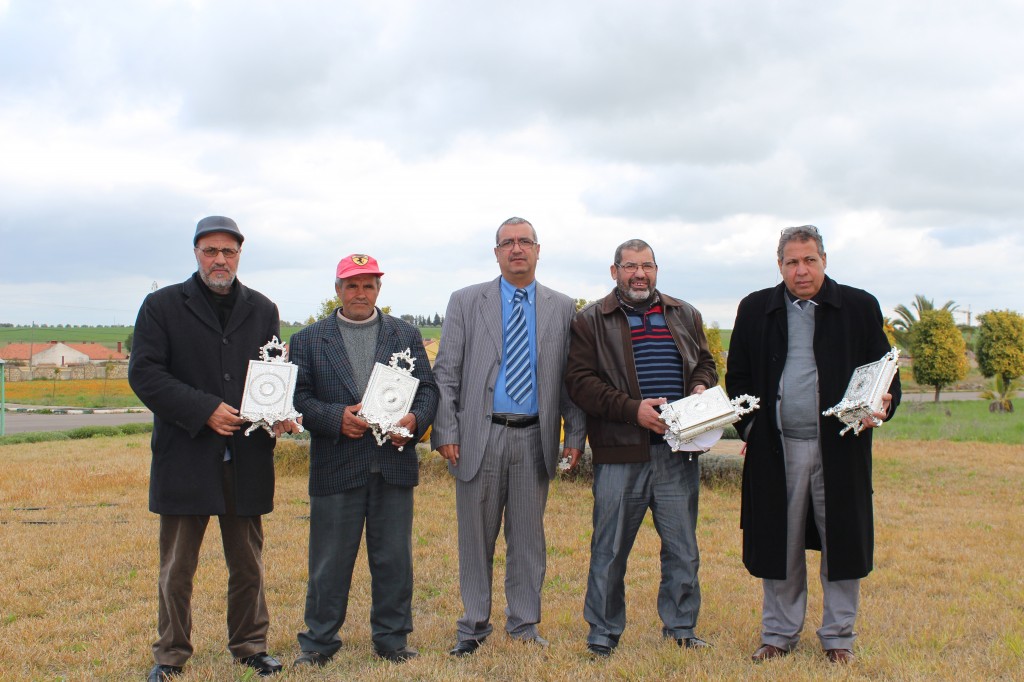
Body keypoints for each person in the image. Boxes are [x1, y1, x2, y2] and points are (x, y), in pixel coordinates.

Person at [129, 216, 299, 682]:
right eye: (210, 251)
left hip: (246, 457)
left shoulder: (263, 309)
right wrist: (203, 409)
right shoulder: (161, 306)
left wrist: (278, 410)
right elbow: (144, 374)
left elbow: (270, 373)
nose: (219, 259)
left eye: (228, 251)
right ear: (196, 254)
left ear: (239, 254)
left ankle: (249, 647)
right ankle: (170, 654)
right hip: (185, 454)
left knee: (247, 562)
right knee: (177, 567)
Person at [726, 225, 900, 665]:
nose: (801, 270)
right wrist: (752, 433)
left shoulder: (858, 307)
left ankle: (838, 637)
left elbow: (885, 374)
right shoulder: (754, 309)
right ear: (779, 264)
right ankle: (778, 634)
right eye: (792, 262)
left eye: (810, 260)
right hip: (777, 450)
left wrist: (885, 401)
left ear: (824, 260)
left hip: (839, 451)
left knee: (842, 542)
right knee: (778, 543)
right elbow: (738, 380)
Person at [431, 217, 586, 655]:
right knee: (475, 539)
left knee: (528, 540)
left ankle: (523, 625)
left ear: (538, 250)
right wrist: (445, 428)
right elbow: (446, 374)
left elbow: (570, 379)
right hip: (478, 437)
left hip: (534, 439)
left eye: (525, 242)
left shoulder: (562, 306)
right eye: (507, 243)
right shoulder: (465, 301)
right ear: (496, 253)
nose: (516, 249)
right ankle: (474, 626)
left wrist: (574, 433)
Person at [564, 238, 718, 657]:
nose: (639, 274)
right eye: (630, 266)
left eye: (647, 266)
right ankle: (602, 633)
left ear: (656, 269)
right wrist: (634, 411)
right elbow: (580, 383)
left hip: (676, 450)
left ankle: (682, 628)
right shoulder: (591, 319)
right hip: (620, 453)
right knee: (610, 548)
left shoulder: (684, 313)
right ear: (614, 271)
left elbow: (704, 361)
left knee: (683, 548)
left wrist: (701, 385)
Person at [290, 254, 438, 666]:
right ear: (337, 290)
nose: (360, 293)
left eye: (368, 285)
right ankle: (319, 642)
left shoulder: (405, 335)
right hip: (336, 464)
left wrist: (413, 419)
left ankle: (392, 639)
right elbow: (298, 398)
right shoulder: (308, 340)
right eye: (352, 285)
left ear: (379, 290)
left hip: (392, 463)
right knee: (328, 562)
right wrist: (335, 418)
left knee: (394, 559)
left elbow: (427, 391)